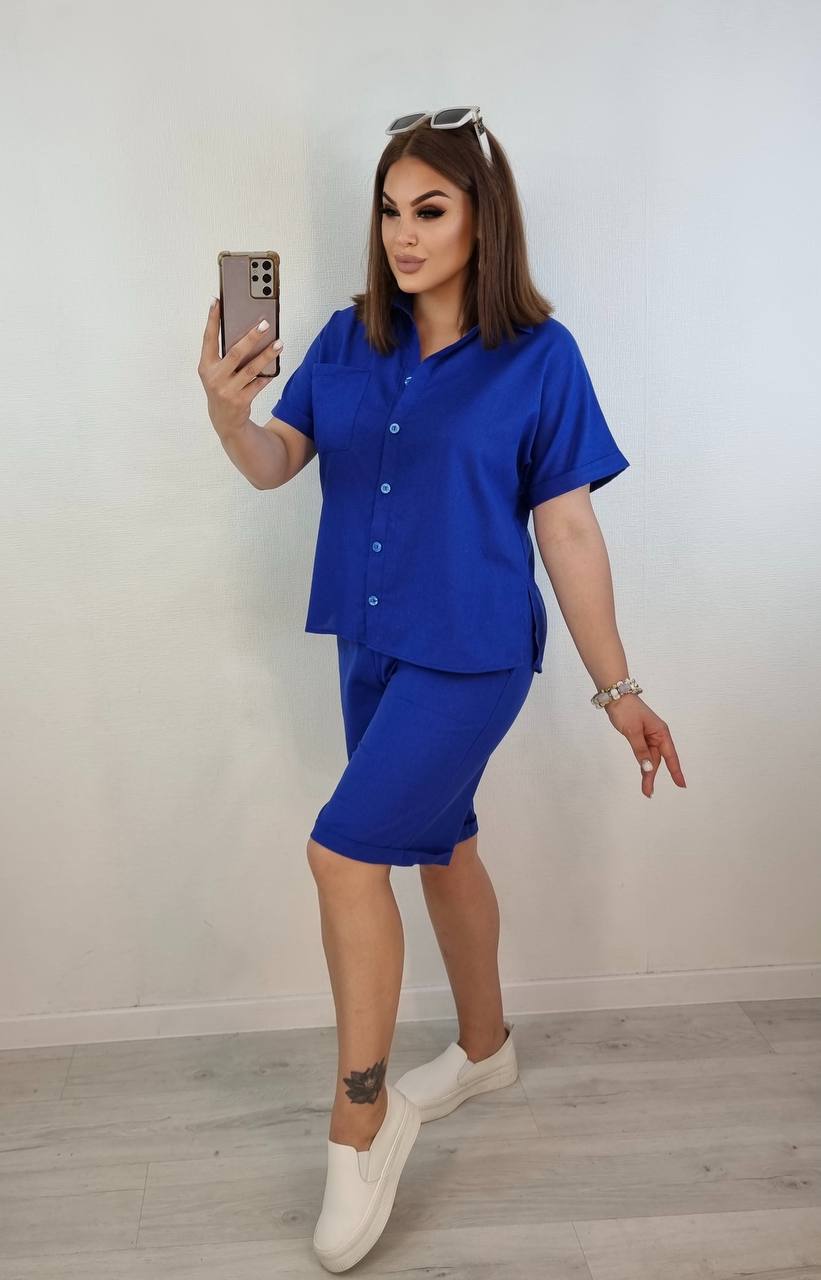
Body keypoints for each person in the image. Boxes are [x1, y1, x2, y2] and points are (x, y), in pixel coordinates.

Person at [199, 106, 686, 1274]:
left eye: (429, 209)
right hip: (366, 643)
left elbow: (567, 529)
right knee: (441, 845)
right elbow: (275, 463)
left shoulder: (538, 357)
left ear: (481, 220)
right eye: (388, 210)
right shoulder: (344, 338)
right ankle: (482, 1046)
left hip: (471, 652)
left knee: (341, 853)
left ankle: (361, 1118)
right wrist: (226, 410)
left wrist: (616, 685)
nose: (402, 233)